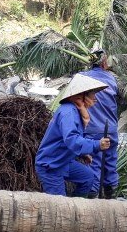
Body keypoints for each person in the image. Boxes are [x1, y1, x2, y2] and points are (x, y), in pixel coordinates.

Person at [34, 74, 111, 197]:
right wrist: (97, 144)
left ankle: (75, 206)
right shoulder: (68, 112)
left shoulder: (76, 111)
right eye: (92, 94)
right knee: (59, 206)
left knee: (88, 178)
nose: (95, 98)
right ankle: (68, 211)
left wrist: (83, 153)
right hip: (51, 165)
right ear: (82, 95)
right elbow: (72, 140)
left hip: (63, 161)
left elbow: (70, 139)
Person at [81, 48, 120, 199]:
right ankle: (111, 197)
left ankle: (93, 199)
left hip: (91, 129)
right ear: (104, 62)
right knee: (110, 162)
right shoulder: (112, 79)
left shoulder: (82, 77)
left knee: (94, 164)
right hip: (110, 128)